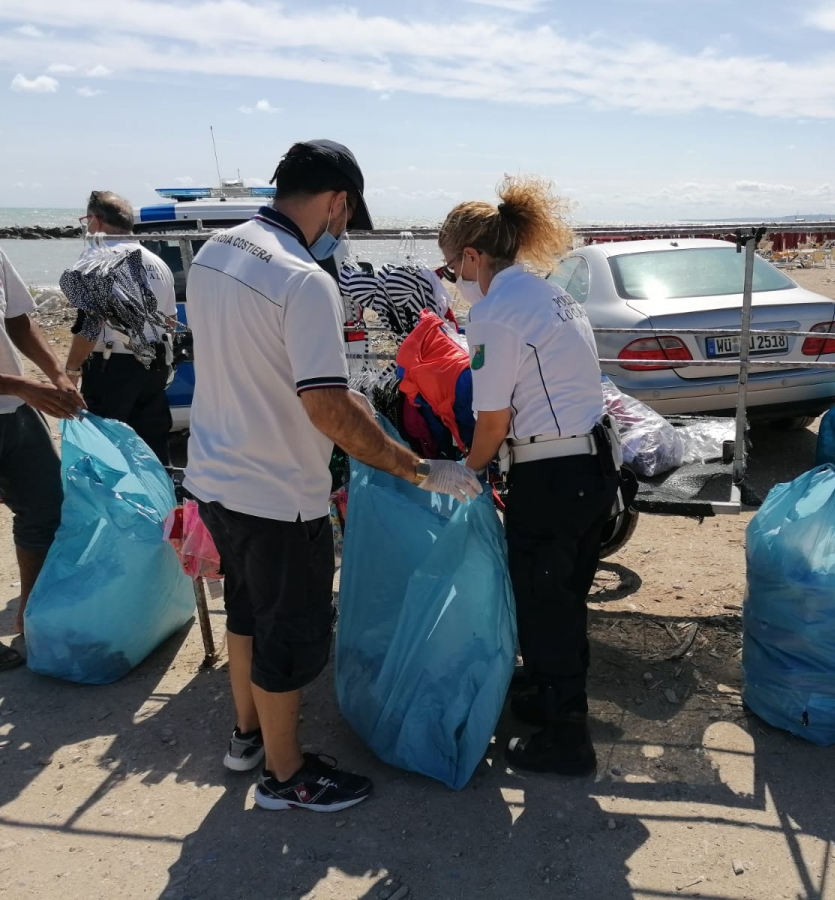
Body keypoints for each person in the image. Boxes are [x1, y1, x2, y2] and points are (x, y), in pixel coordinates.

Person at [184, 139, 481, 812]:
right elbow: (326, 404)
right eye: (347, 217)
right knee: (288, 630)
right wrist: (418, 467)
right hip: (278, 492)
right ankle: (286, 778)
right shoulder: (303, 279)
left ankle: (247, 736)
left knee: (248, 610)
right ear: (337, 200)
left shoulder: (215, 251)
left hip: (214, 475)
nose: (343, 232)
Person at [445, 175, 619, 777]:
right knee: (564, 599)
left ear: (471, 257)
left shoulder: (496, 312)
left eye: (451, 269)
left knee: (546, 605)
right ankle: (548, 695)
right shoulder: (552, 295)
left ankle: (568, 738)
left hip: (552, 476)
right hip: (592, 466)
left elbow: (491, 422)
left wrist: (462, 474)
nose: (455, 282)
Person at [0, 248, 86, 670]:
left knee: (46, 509)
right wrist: (22, 385)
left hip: (11, 413)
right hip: (15, 395)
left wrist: (54, 373)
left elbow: (17, 320)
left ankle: (32, 618)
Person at [63, 191, 177, 464]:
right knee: (150, 450)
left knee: (106, 451)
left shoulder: (96, 257)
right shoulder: (157, 262)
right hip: (155, 362)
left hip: (112, 365)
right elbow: (170, 321)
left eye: (87, 220)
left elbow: (91, 322)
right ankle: (159, 503)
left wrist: (71, 369)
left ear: (97, 221)